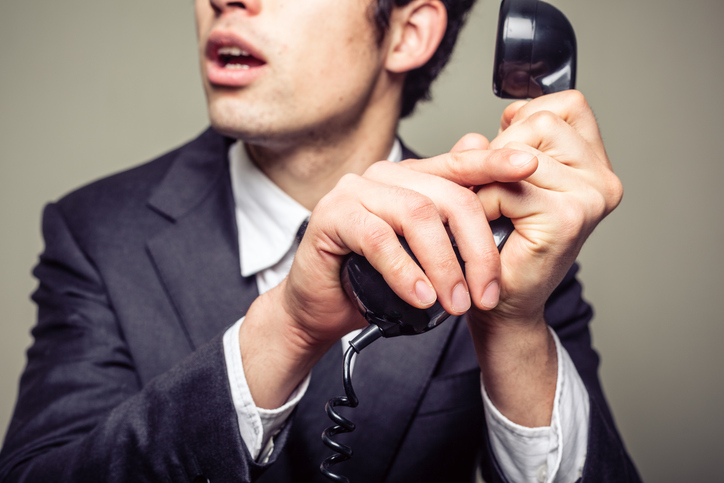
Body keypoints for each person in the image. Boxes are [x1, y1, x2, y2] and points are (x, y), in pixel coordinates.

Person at [0, 0, 641, 481]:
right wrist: (286, 327)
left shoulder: (505, 244)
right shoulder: (95, 231)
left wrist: (511, 324)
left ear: (408, 33)